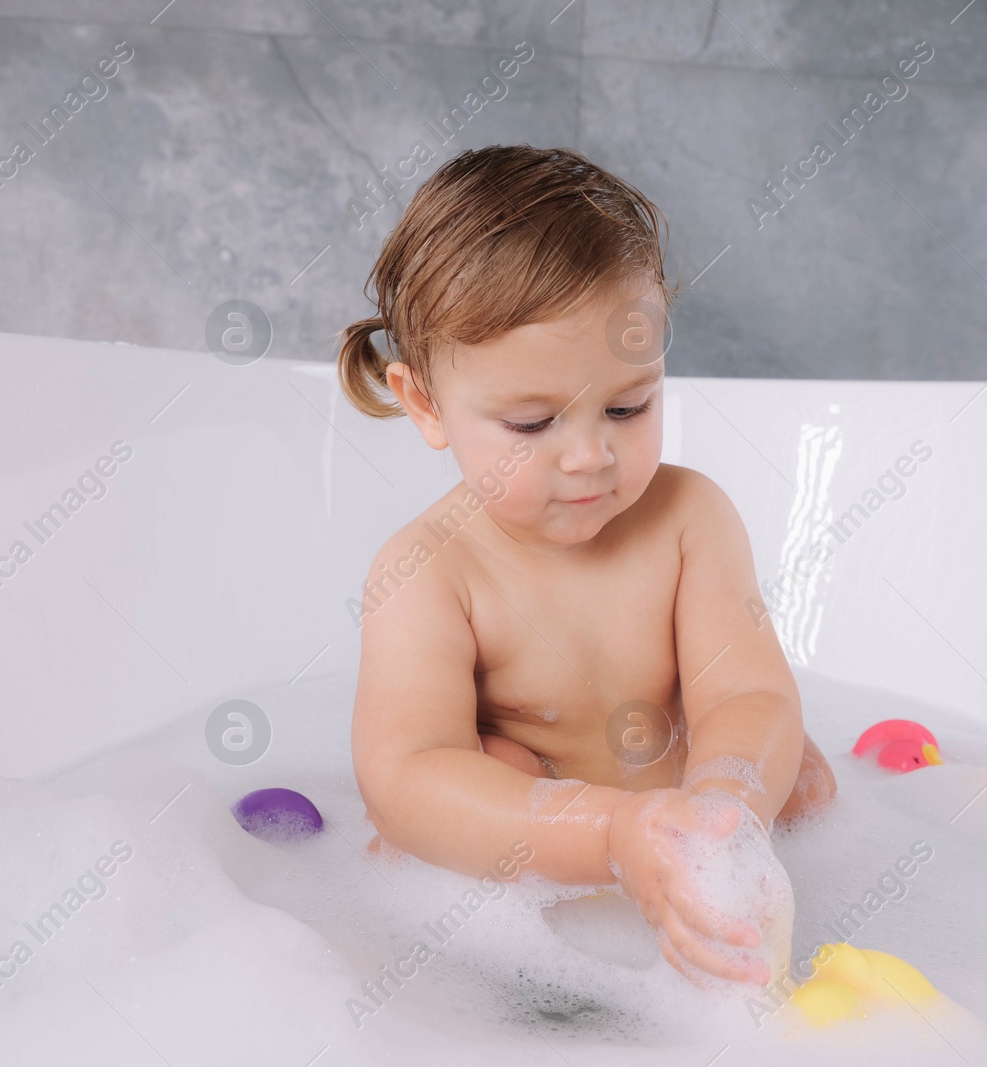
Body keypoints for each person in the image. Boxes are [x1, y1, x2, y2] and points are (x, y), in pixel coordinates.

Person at [337, 145, 836, 986]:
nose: (590, 456)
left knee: (806, 779)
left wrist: (721, 810)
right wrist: (610, 834)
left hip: (669, 798)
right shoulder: (427, 570)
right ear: (425, 402)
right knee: (463, 792)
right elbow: (405, 774)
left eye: (627, 405)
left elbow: (747, 691)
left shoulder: (689, 519)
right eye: (532, 425)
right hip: (538, 852)